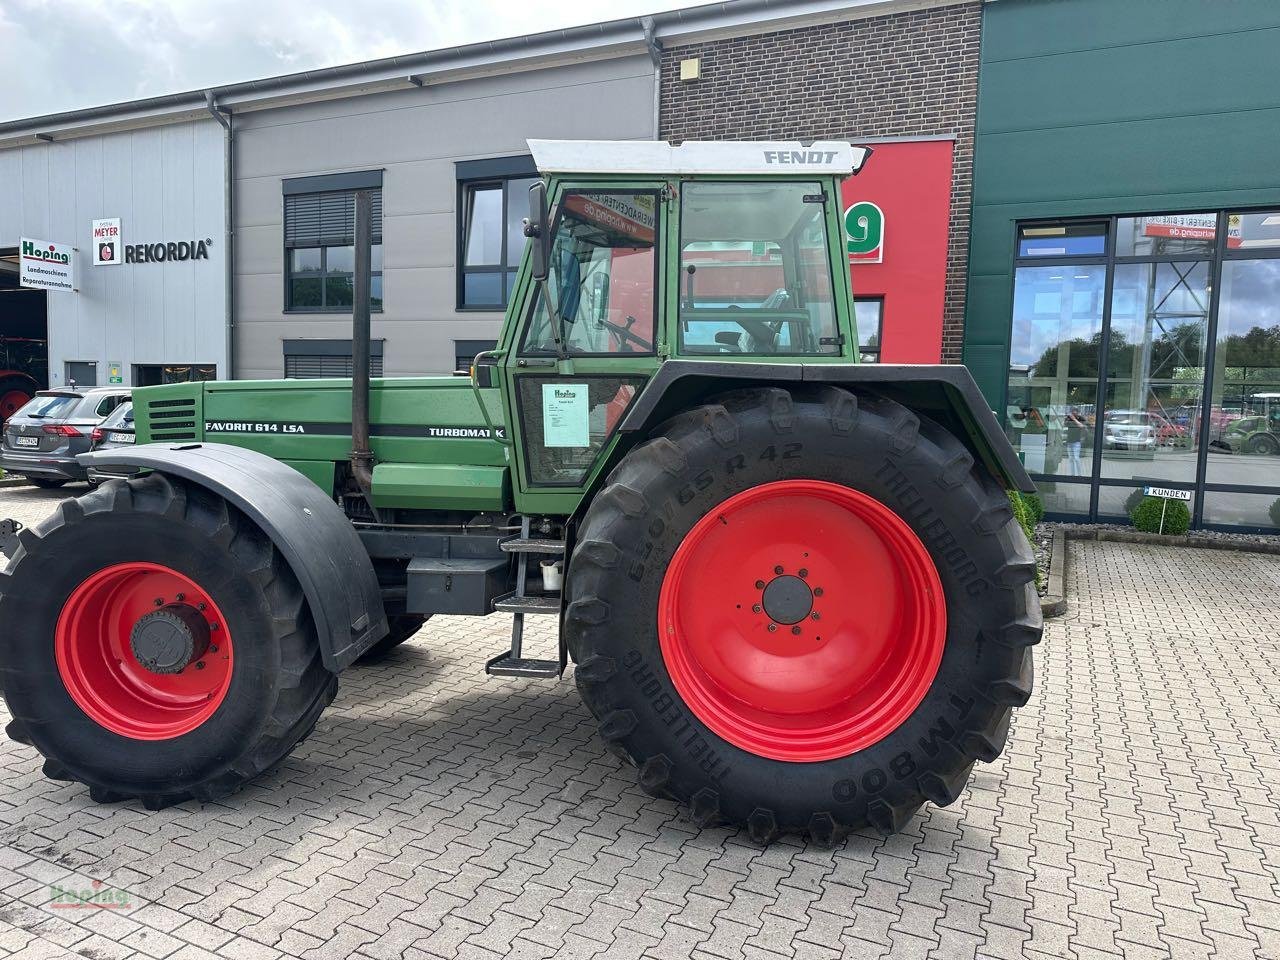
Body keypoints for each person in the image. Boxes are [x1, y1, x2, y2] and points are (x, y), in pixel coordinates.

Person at [1065, 409, 1087, 475]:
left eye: (1075, 413)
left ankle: (1079, 475)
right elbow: (1064, 424)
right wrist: (1067, 418)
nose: (1074, 415)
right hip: (1069, 442)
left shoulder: (1081, 418)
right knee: (1071, 459)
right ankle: (1072, 474)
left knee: (1076, 458)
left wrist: (1074, 419)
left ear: (1078, 413)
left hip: (1076, 442)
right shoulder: (1069, 419)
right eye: (1073, 413)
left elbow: (1082, 426)